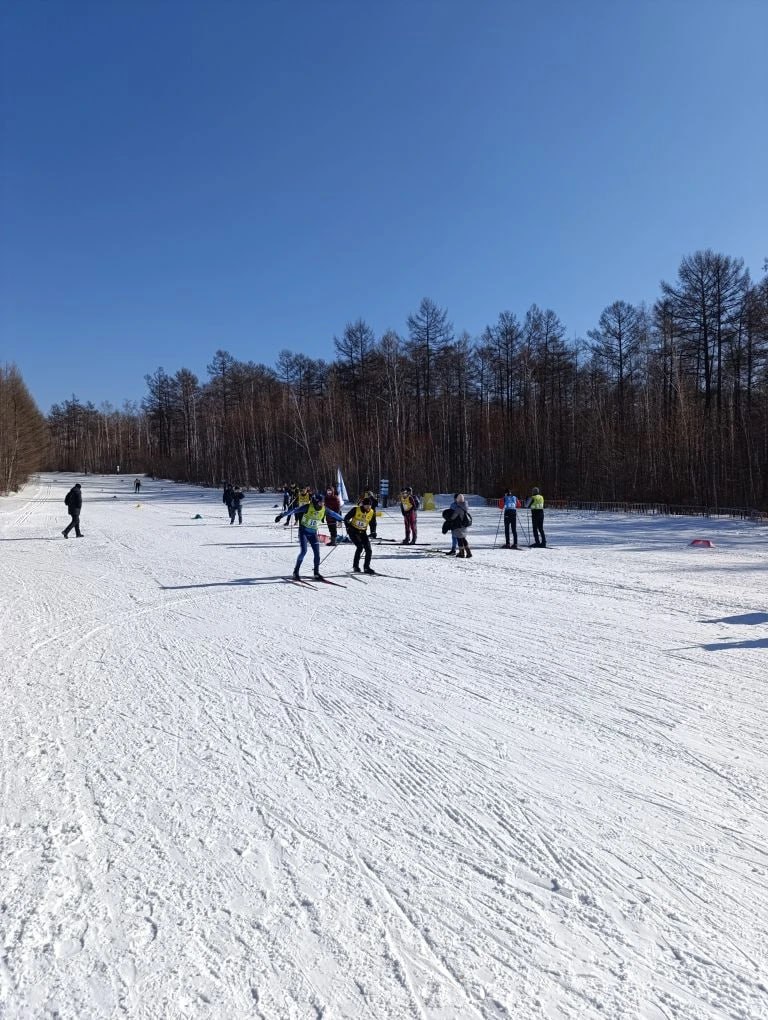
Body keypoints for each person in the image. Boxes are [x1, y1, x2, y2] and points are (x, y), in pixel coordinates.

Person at [275, 491, 344, 580]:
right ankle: (296, 572)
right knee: (304, 551)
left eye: (323, 502)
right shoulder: (308, 507)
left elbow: (334, 514)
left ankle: (316, 572)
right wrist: (281, 516)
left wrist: (344, 520)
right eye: (320, 502)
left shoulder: (324, 509)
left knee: (317, 553)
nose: (322, 504)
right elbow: (294, 510)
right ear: (315, 502)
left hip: (313, 533)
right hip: (303, 531)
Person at [344, 496, 376, 573]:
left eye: (369, 505)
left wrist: (373, 531)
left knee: (369, 550)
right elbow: (346, 518)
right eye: (366, 505)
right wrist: (348, 527)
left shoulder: (372, 512)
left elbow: (373, 523)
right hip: (353, 531)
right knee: (360, 547)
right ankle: (355, 566)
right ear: (363, 505)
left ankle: (366, 567)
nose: (368, 507)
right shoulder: (356, 509)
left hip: (363, 532)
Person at [443, 493, 472, 558]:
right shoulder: (465, 506)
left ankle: (461, 553)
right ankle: (468, 553)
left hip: (459, 526)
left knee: (459, 540)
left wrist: (448, 518)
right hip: (464, 525)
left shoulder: (458, 508)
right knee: (463, 539)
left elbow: (453, 517)